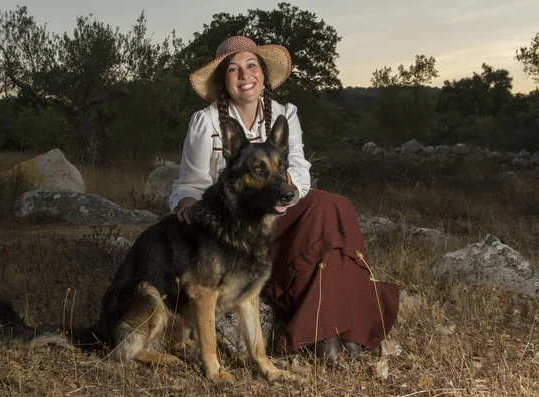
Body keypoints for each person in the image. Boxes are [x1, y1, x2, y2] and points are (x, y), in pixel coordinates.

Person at [169, 36, 399, 366]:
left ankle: (337, 334)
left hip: (280, 210)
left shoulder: (284, 114)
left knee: (335, 208)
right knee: (321, 219)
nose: (244, 74)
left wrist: (280, 183)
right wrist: (186, 203)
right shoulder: (206, 122)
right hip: (234, 222)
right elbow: (188, 184)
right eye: (233, 69)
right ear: (223, 81)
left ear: (263, 74)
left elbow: (300, 173)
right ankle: (326, 337)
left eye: (251, 66)